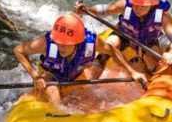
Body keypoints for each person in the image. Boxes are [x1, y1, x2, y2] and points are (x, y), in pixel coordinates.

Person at [14, 13, 147, 108]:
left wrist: (132, 72)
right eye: (59, 42)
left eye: (66, 44)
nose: (61, 47)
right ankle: (59, 113)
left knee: (98, 66)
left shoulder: (91, 41)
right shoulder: (46, 42)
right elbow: (18, 50)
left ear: (77, 42)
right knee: (51, 85)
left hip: (76, 72)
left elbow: (112, 50)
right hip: (52, 74)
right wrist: (35, 76)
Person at [75, 0, 172, 75]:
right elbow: (104, 9)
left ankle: (146, 78)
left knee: (153, 63)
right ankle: (92, 79)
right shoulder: (125, 5)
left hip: (147, 41)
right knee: (110, 44)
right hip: (124, 35)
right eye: (136, 4)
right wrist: (86, 10)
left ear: (152, 4)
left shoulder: (163, 16)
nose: (137, 8)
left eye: (143, 5)